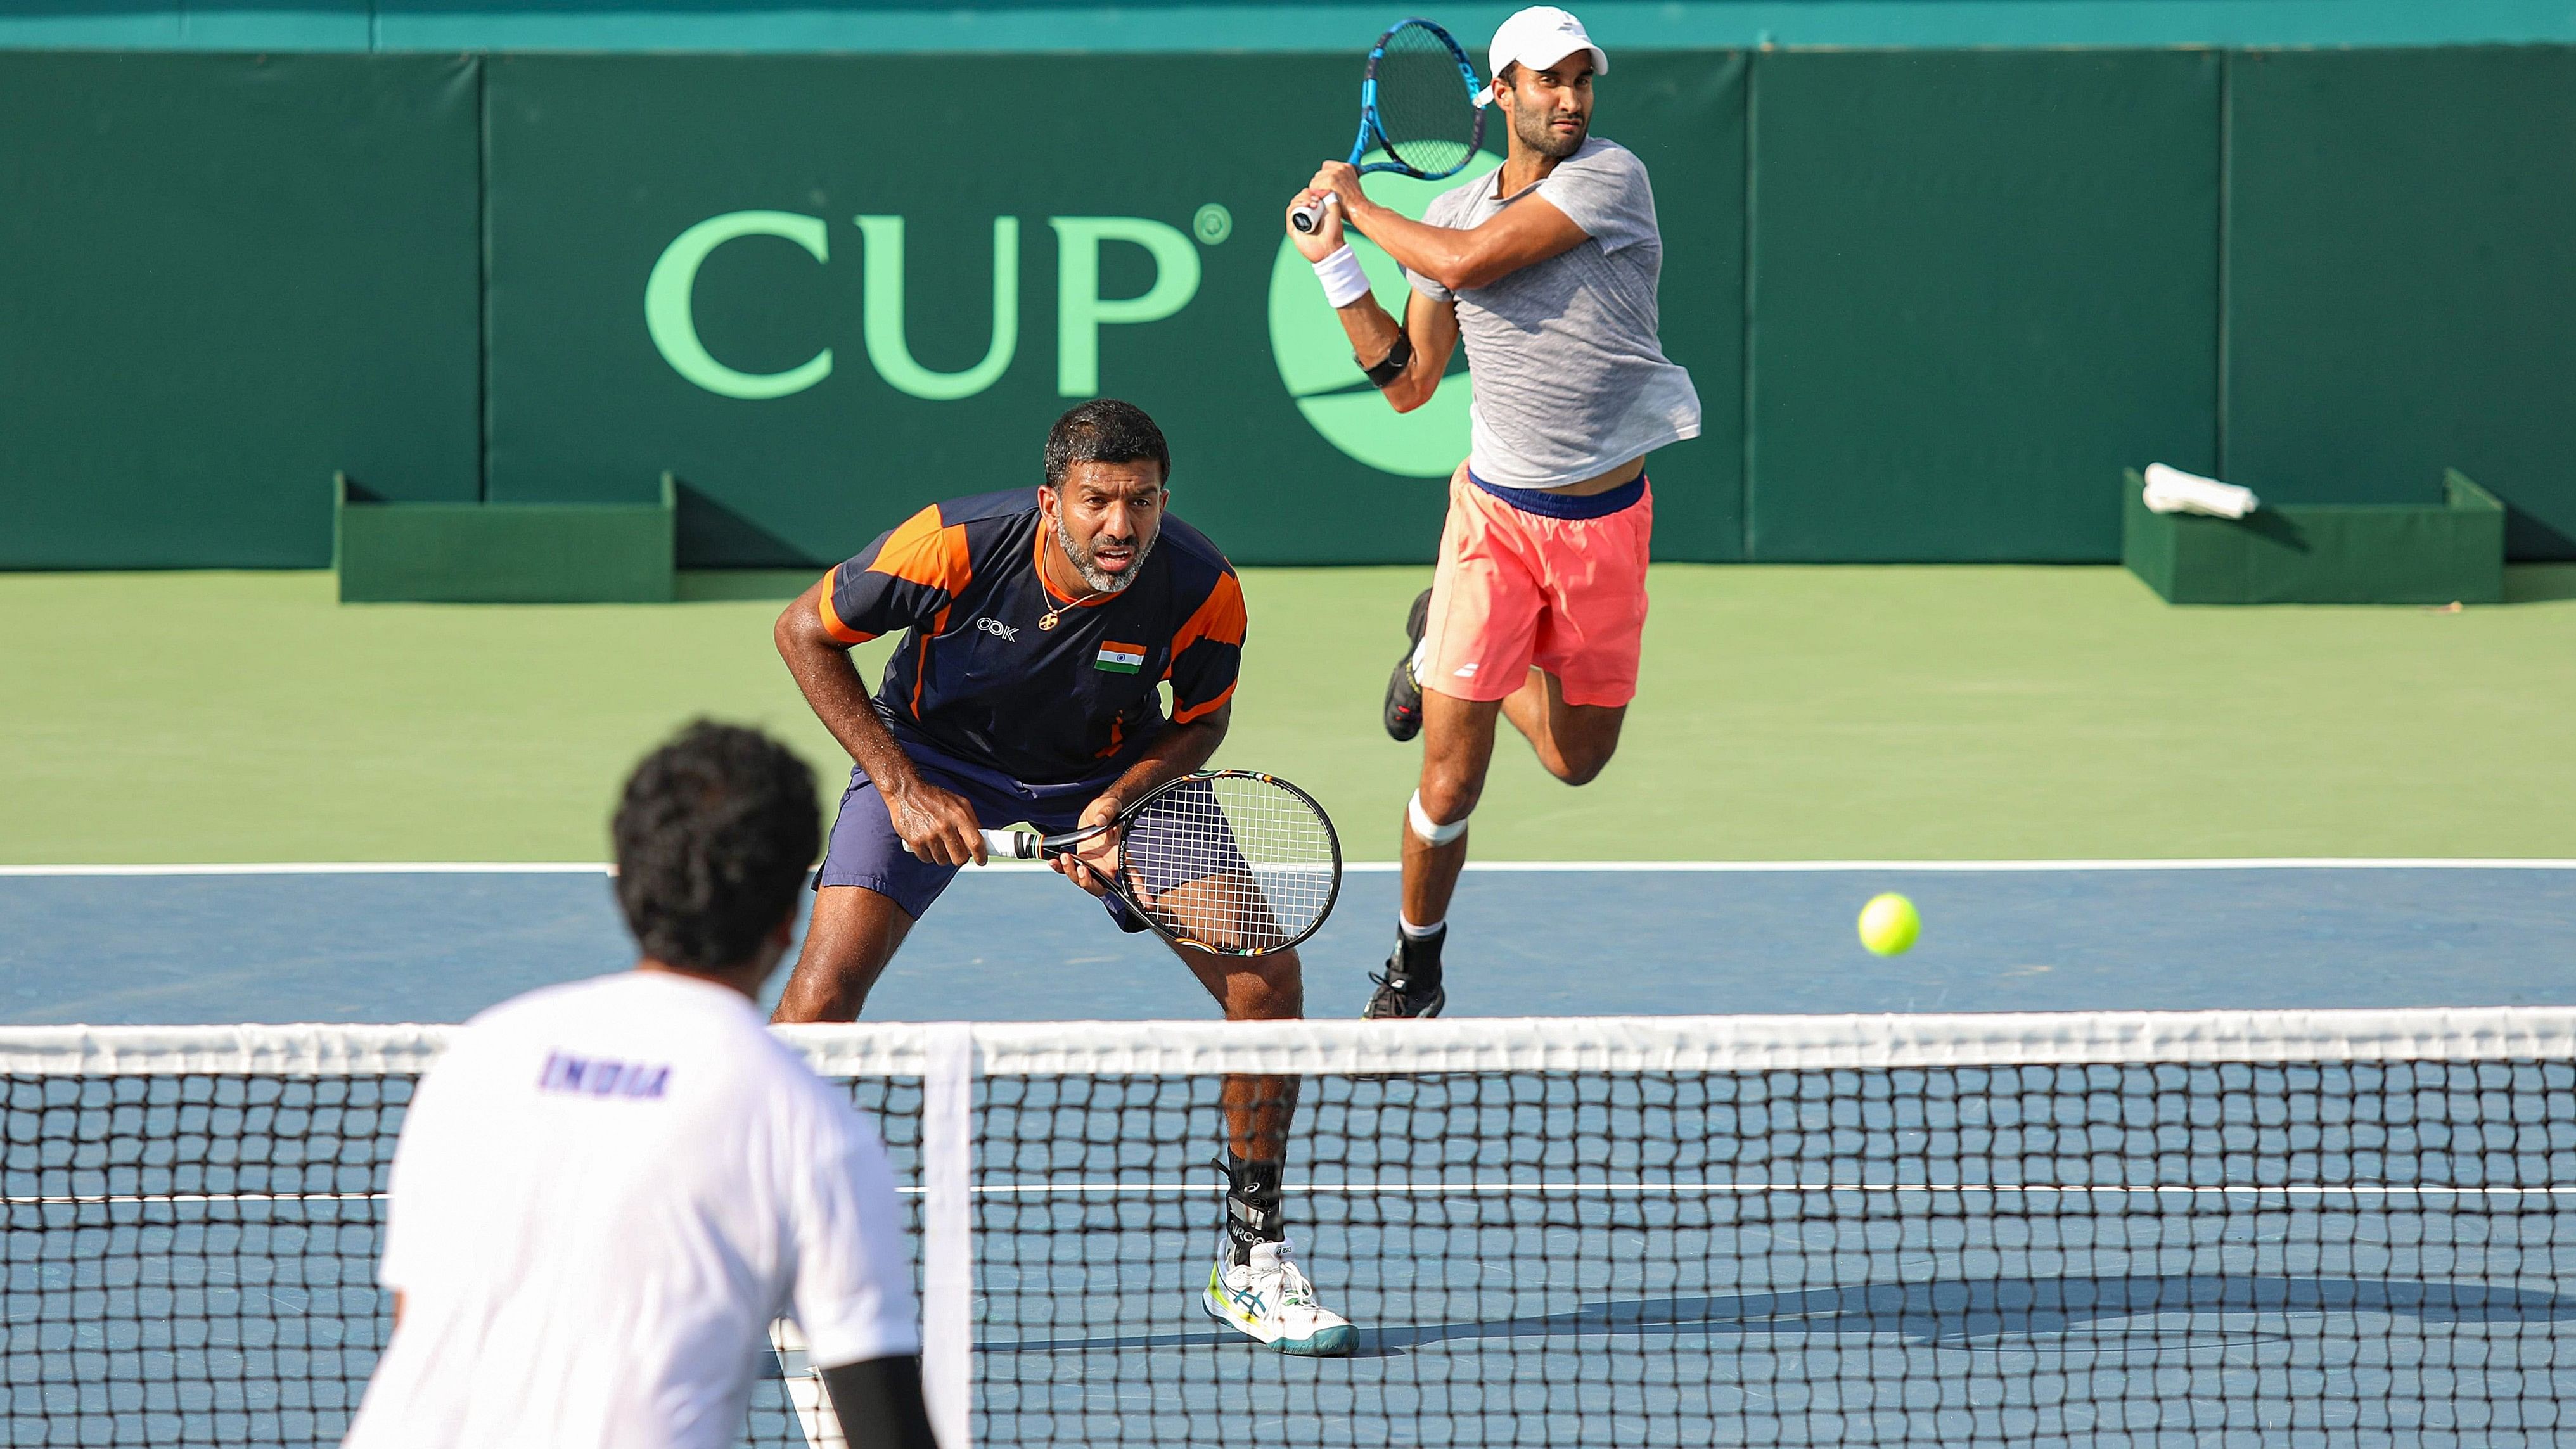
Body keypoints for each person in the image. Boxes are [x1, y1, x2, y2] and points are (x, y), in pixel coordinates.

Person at [769, 399, 1354, 1356]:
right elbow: (804, 630)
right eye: (1097, 502)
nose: (1120, 526)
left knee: (1264, 976)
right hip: (932, 757)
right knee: (820, 995)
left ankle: (1251, 1257)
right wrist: (901, 786)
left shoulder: (1202, 585)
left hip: (1104, 772)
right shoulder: (951, 544)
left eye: (1143, 501)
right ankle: (756, 1240)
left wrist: (1119, 802)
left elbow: (1201, 721)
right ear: (1051, 501)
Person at [343, 722, 935, 1449]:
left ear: (626, 885)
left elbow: (426, 1331)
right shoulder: (805, 1123)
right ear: (788, 923)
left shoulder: (479, 1061)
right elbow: (885, 1429)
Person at [1285, 5, 1701, 1019]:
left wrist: (1355, 200)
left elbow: (1466, 264)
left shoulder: (1611, 176)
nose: (1569, 100)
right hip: (1493, 519)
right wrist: (1336, 267)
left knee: (1574, 759)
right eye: (1546, 81)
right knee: (1450, 778)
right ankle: (1414, 966)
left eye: (1580, 81)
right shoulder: (1458, 207)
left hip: (1607, 525)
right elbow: (1408, 381)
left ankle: (1434, 641)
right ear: (1501, 94)